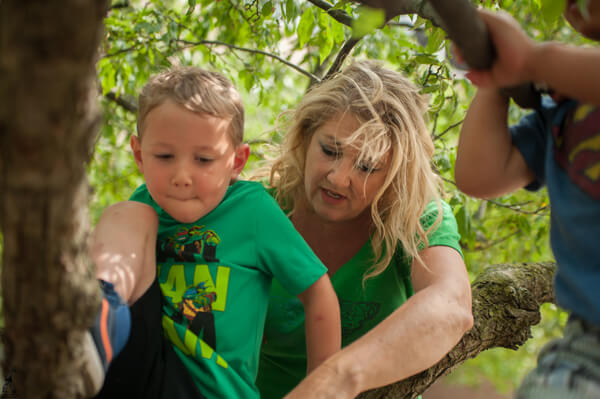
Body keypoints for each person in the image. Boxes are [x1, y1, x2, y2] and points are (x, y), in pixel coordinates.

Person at [89, 66, 341, 398]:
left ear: (237, 161)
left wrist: (321, 390)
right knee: (127, 213)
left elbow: (319, 294)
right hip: (137, 367)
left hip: (209, 389)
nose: (182, 175)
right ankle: (91, 321)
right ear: (139, 155)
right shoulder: (143, 207)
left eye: (204, 160)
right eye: (164, 156)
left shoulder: (252, 211)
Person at [255, 60, 474, 398]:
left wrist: (334, 382)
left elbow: (452, 306)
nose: (339, 178)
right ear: (305, 137)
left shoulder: (414, 215)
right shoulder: (257, 211)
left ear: (396, 174)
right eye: (330, 150)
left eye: (367, 166)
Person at [454, 2, 600, 398]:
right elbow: (479, 174)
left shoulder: (557, 72)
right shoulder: (564, 108)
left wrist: (534, 59)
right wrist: (497, 80)